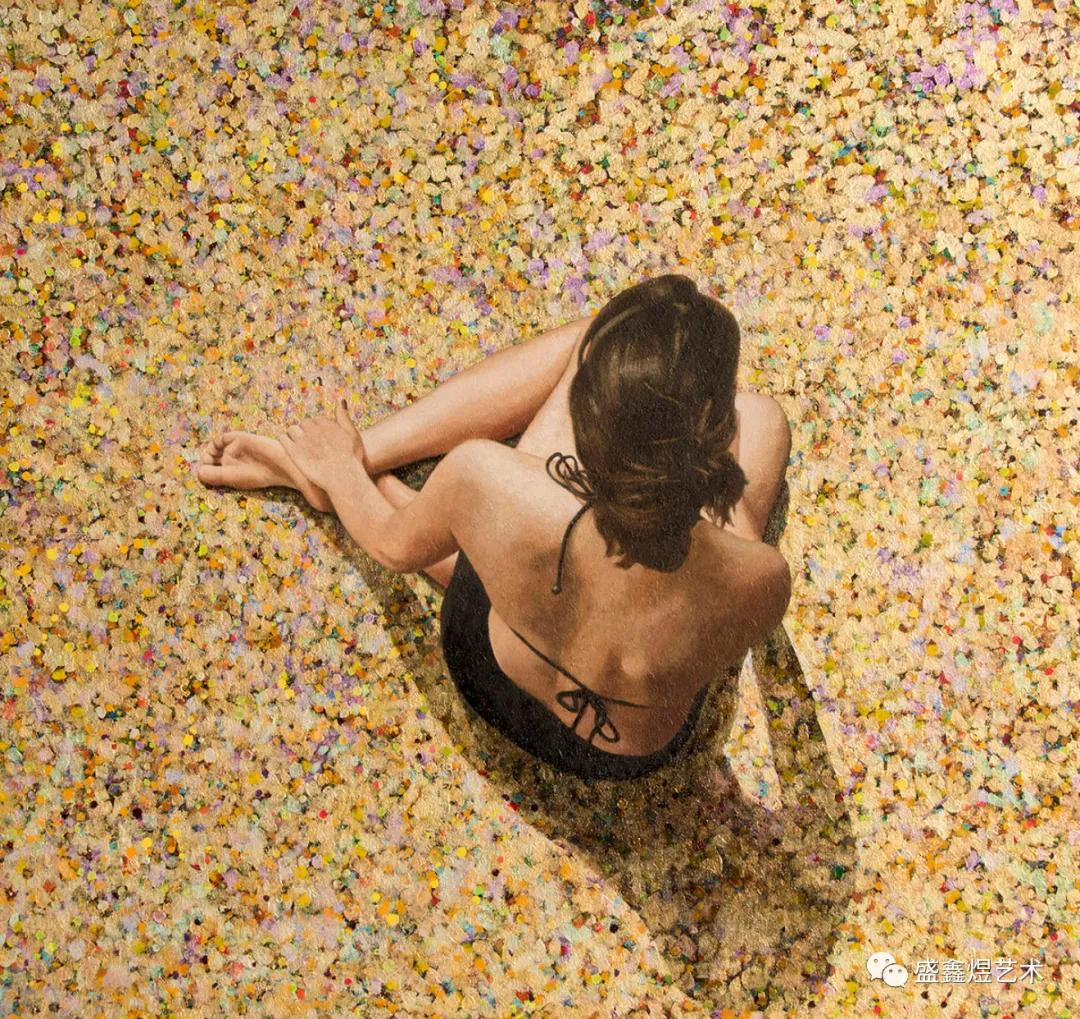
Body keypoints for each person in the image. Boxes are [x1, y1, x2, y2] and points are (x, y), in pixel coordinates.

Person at [197, 274, 793, 782]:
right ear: (712, 442)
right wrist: (714, 477)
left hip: (486, 669)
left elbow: (391, 546)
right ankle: (358, 475)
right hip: (619, 756)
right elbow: (699, 596)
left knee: (600, 337)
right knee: (764, 419)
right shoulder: (762, 578)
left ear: (585, 423)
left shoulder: (490, 480)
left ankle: (341, 462)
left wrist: (342, 475)